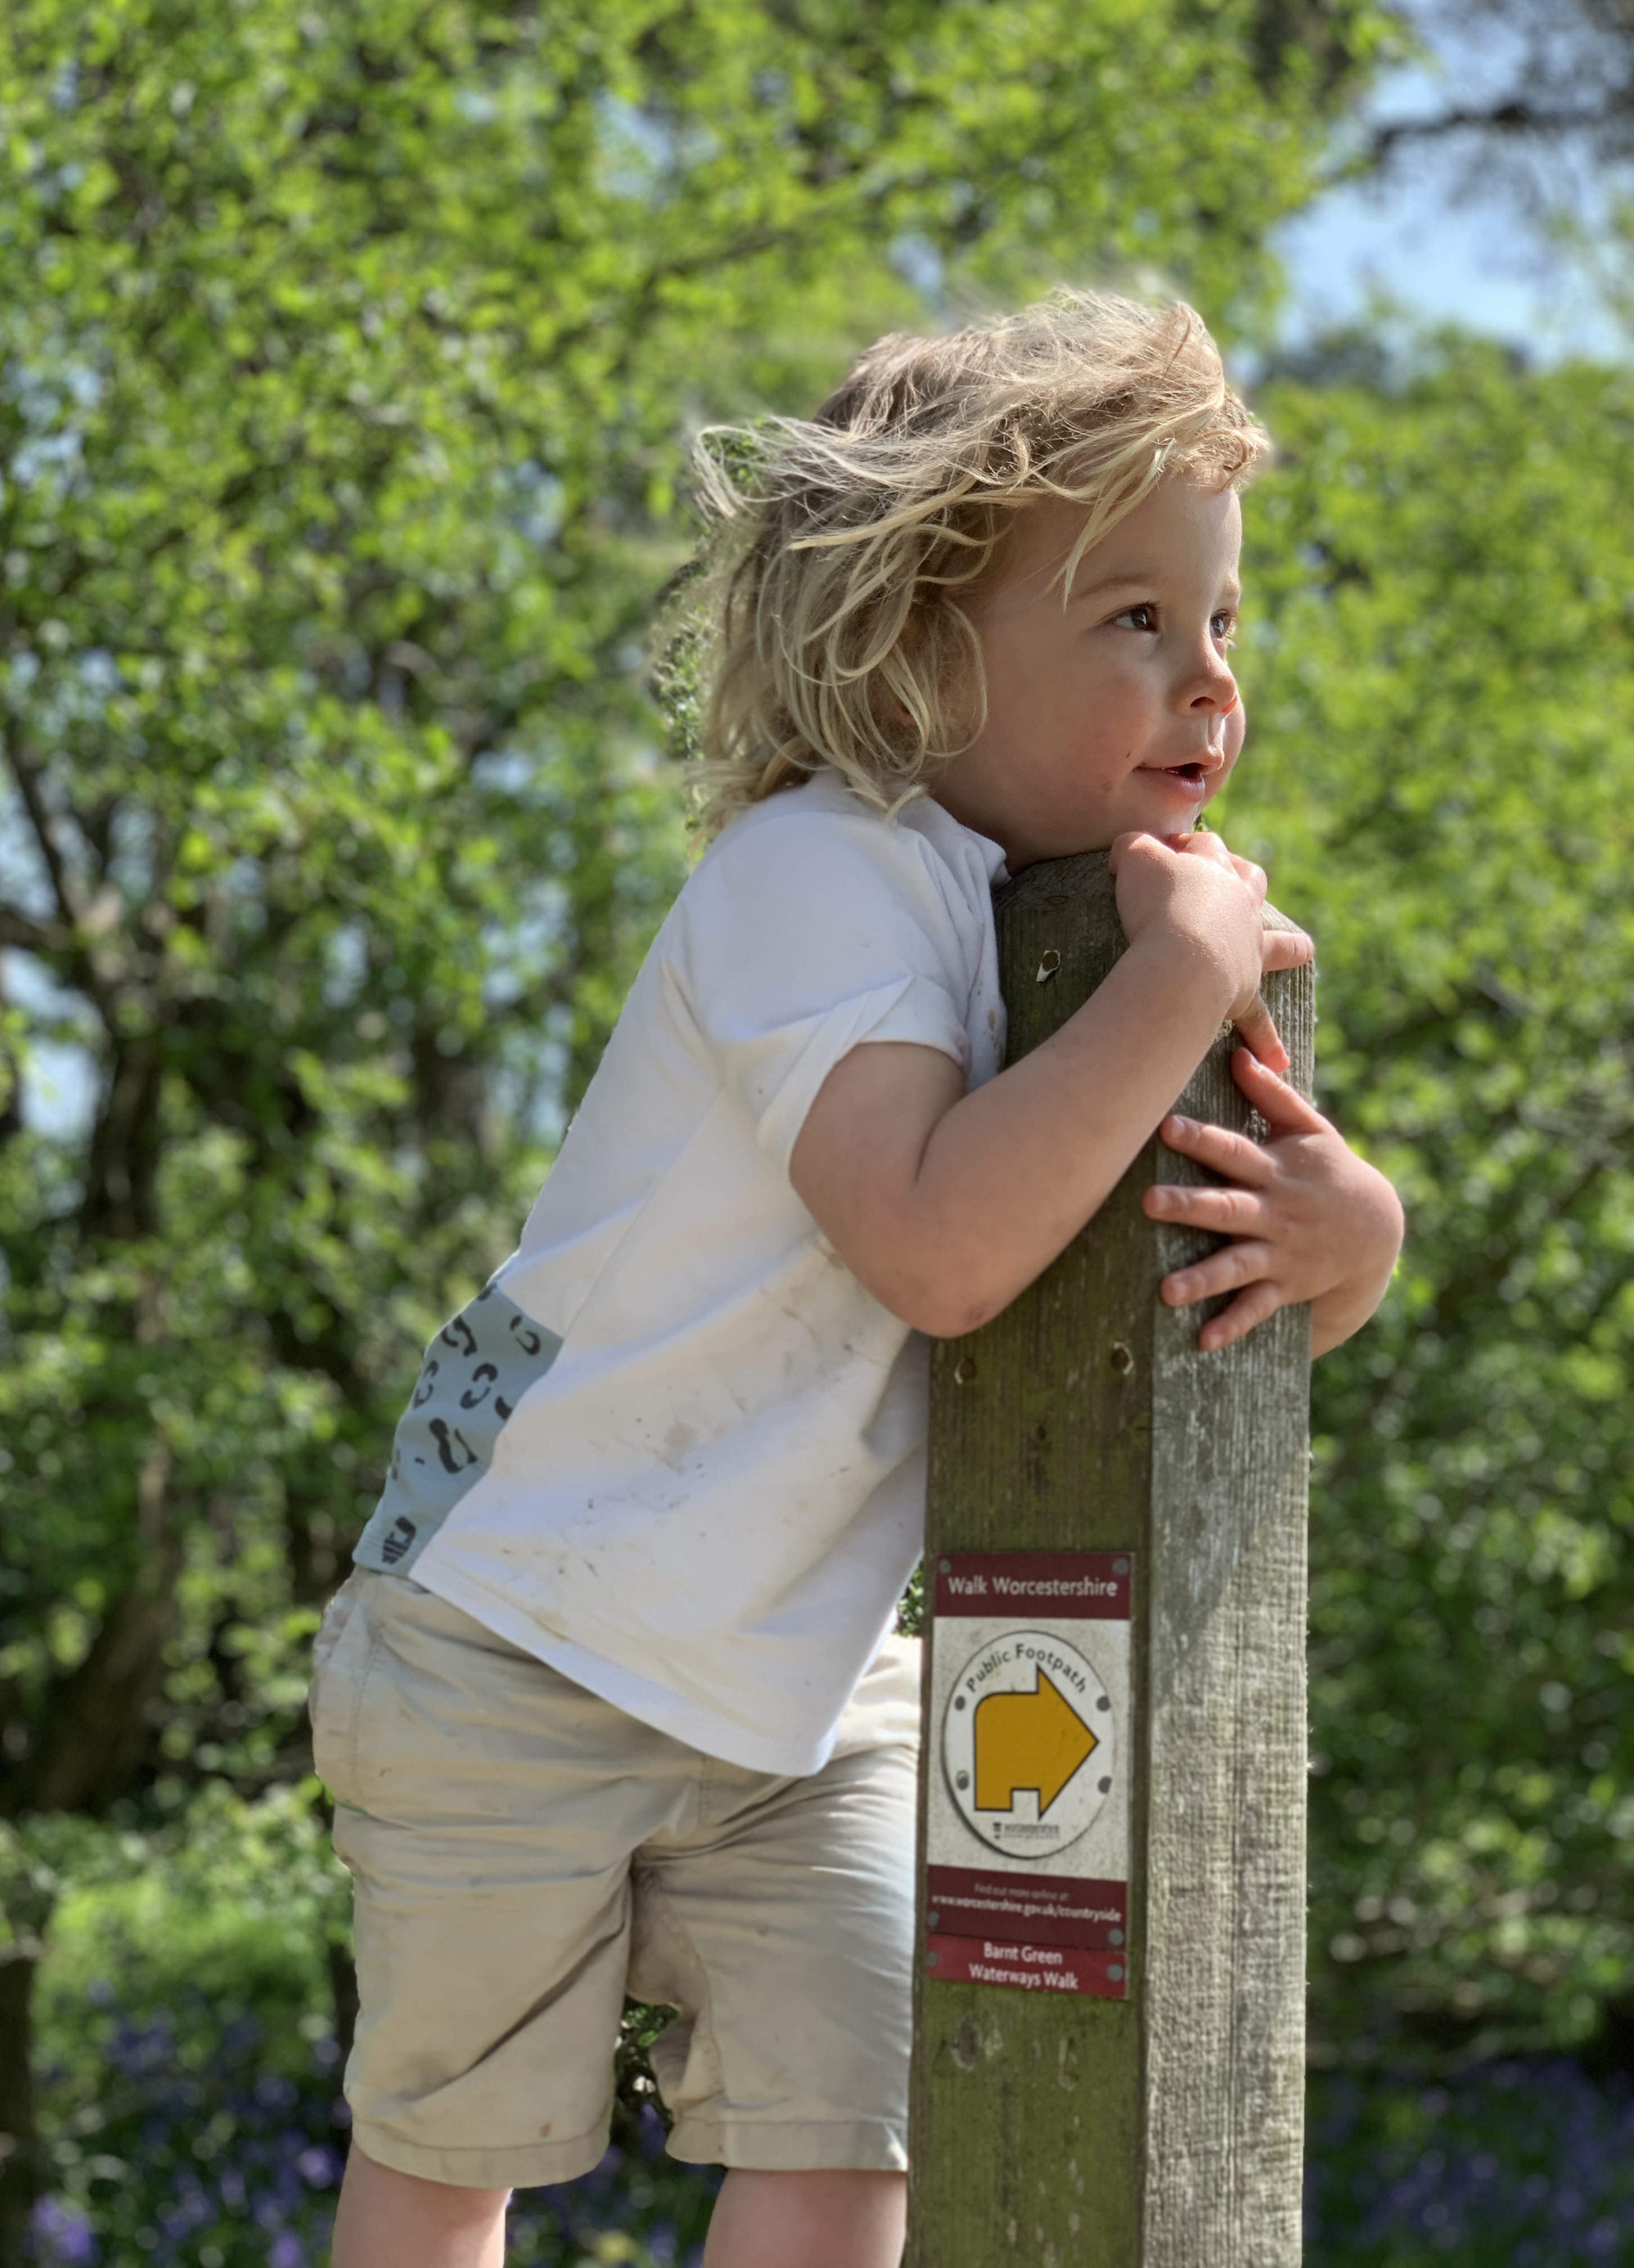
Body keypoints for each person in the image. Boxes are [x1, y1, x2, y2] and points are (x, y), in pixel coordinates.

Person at [313, 289, 1404, 2268]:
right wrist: (1179, 981)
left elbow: (1217, 1307)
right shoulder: (820, 876)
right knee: (458, 2148)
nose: (1210, 681)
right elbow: (940, 1241)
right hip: (519, 1635)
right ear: (912, 653)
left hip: (794, 1692)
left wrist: (1352, 1237)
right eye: (1133, 619)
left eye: (1223, 620)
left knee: (857, 2137)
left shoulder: (1066, 938)